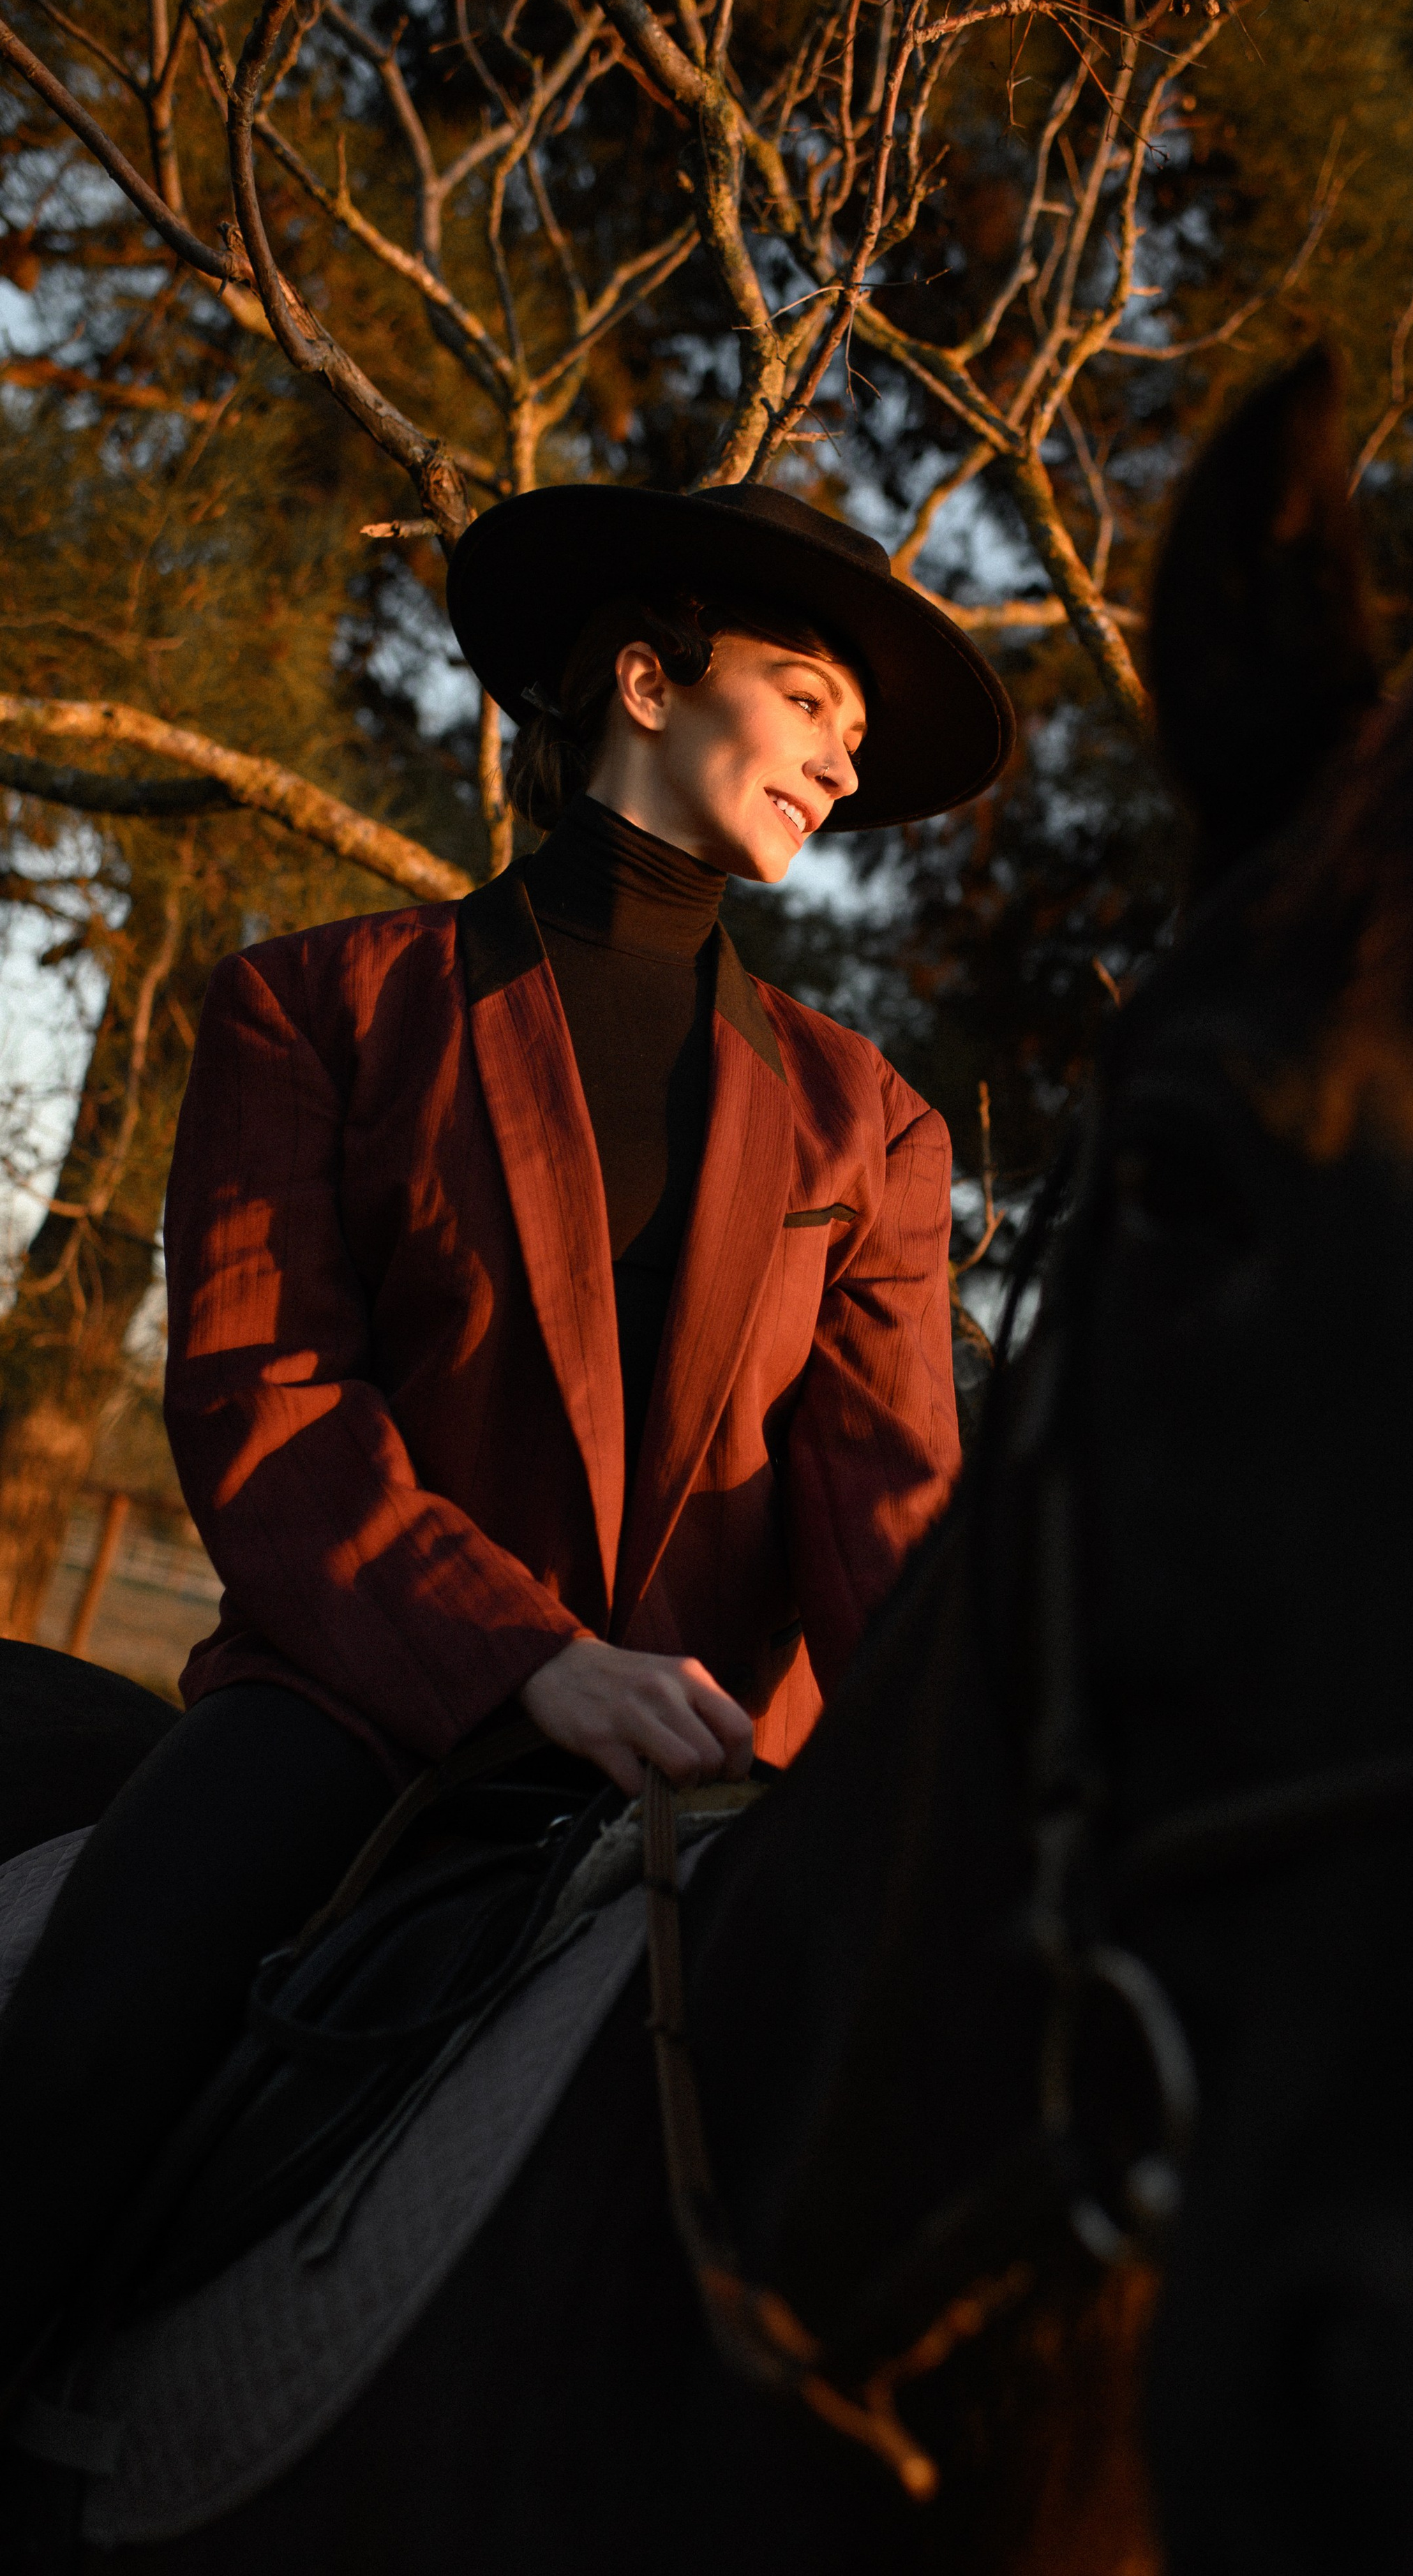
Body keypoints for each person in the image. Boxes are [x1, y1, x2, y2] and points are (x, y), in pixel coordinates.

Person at [0, 480, 1015, 2405]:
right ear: (644, 677)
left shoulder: (872, 1124)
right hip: (358, 1727)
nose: (839, 755)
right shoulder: (318, 1005)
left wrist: (960, 1781)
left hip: (725, 1776)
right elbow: (267, 1404)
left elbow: (892, 1514)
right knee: (80, 2054)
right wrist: (533, 1664)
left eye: (856, 739)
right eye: (808, 695)